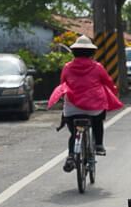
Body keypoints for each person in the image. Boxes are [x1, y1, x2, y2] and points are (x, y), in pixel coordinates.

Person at [47, 35, 123, 172]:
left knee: (74, 133)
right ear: (91, 52)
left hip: (72, 110)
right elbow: (108, 83)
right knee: (98, 122)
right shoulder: (98, 67)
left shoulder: (67, 67)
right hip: (94, 109)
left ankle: (71, 156)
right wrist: (114, 93)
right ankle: (99, 145)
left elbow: (62, 84)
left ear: (74, 52)